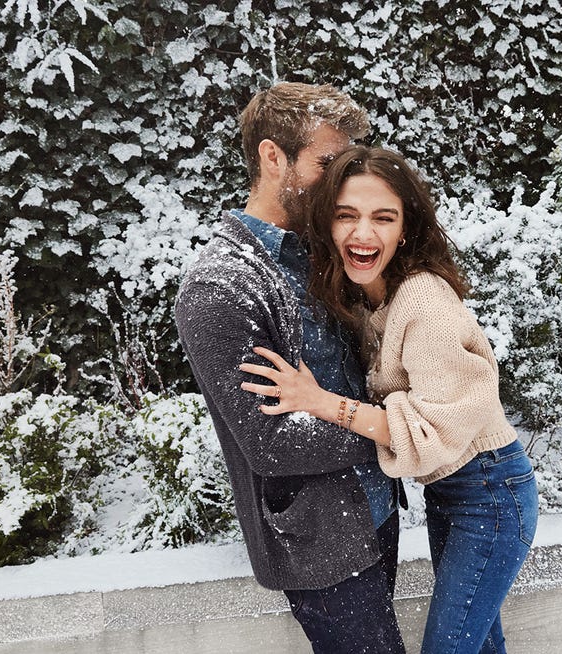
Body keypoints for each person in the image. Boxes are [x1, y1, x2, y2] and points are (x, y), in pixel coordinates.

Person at [238, 145, 539, 654]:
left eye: (383, 217)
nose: (363, 233)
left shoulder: (423, 301)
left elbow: (435, 430)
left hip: (491, 495)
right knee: (481, 646)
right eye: (346, 215)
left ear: (405, 229)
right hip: (454, 494)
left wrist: (319, 401)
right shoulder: (371, 298)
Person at [174, 84, 405, 654]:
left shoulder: (322, 248)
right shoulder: (219, 289)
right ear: (272, 157)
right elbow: (274, 444)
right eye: (327, 163)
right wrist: (396, 431)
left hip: (375, 513)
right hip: (318, 539)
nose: (342, 180)